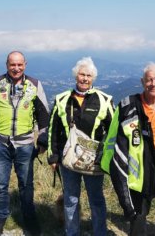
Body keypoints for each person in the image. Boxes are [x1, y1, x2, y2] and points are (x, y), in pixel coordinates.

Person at [102, 62, 155, 236]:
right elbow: (114, 139)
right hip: (140, 171)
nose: (153, 84)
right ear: (142, 82)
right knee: (138, 218)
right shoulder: (129, 106)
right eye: (149, 80)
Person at [0, 51, 50, 236]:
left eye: (19, 64)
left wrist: (42, 140)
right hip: (0, 142)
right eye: (12, 65)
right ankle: (0, 217)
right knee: (0, 185)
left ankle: (29, 217)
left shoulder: (34, 85)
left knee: (26, 184)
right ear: (6, 65)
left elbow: (43, 114)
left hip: (25, 143)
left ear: (25, 64)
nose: (16, 68)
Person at [47, 57, 114, 236]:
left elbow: (113, 133)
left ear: (93, 78)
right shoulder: (62, 99)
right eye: (82, 74)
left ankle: (100, 232)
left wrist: (110, 158)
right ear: (76, 76)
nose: (85, 78)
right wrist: (53, 156)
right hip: (68, 158)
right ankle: (72, 233)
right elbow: (53, 129)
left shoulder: (105, 100)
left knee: (96, 199)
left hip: (94, 161)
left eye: (89, 75)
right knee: (71, 198)